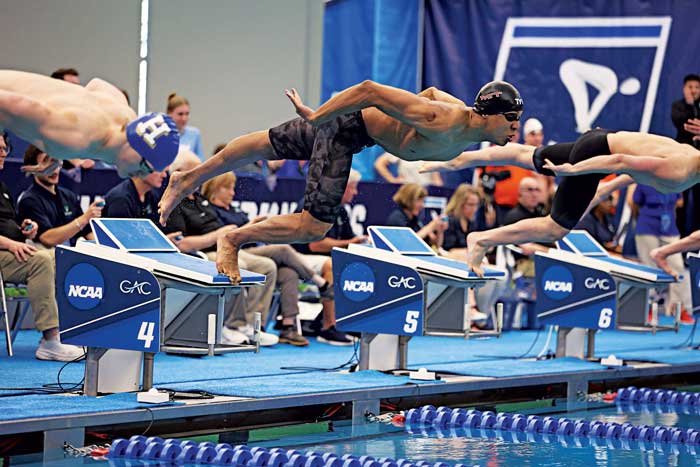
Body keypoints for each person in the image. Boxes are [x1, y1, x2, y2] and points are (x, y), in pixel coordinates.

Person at [158, 80, 523, 282]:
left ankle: (187, 178)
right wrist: (318, 116)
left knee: (259, 145)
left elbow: (429, 91)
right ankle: (233, 238)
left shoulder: (458, 120)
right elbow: (368, 90)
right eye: (511, 118)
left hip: (352, 130)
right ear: (489, 114)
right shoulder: (440, 119)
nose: (514, 127)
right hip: (344, 129)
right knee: (313, 226)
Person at [422, 129, 700, 274]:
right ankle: (481, 239)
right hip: (597, 155)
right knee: (554, 229)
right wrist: (577, 170)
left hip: (599, 139)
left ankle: (457, 160)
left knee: (525, 156)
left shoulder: (688, 155)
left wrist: (603, 191)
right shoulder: (679, 172)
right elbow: (621, 162)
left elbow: (634, 171)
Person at [203, 171, 340, 346]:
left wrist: (254, 227)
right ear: (215, 189)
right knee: (282, 249)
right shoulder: (212, 212)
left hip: (252, 250)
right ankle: (319, 282)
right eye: (227, 188)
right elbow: (228, 238)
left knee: (288, 273)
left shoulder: (236, 210)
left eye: (232, 188)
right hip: (236, 252)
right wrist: (249, 228)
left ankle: (284, 326)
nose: (232, 192)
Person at [163, 151, 279, 346]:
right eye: (194, 170)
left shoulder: (200, 200)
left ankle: (249, 327)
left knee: (266, 266)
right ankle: (229, 326)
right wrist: (217, 236)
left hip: (222, 248)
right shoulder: (174, 202)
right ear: (179, 173)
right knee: (237, 264)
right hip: (200, 255)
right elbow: (180, 244)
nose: (200, 173)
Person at [0, 70, 179, 178]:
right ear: (134, 145)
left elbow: (98, 84)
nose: (144, 175)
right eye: (145, 167)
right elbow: (18, 105)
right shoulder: (76, 138)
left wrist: (55, 151)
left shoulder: (123, 111)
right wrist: (57, 147)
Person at [0, 133, 83, 361]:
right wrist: (10, 242)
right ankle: (50, 339)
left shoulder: (2, 187)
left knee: (63, 258)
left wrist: (25, 228)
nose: (3, 153)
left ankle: (76, 332)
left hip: (12, 249)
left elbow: (7, 224)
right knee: (42, 261)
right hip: (5, 252)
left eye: (5, 148)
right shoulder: (30, 198)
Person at [293, 169, 366, 345]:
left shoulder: (341, 211)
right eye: (353, 188)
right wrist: (351, 242)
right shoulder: (314, 205)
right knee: (331, 265)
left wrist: (359, 243)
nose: (355, 192)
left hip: (322, 259)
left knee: (360, 266)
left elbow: (349, 242)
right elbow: (314, 245)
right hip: (299, 258)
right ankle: (328, 327)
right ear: (341, 187)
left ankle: (347, 321)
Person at [17, 145, 102, 247]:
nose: (54, 169)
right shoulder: (30, 200)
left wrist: (103, 249)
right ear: (33, 168)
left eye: (55, 162)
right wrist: (84, 219)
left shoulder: (68, 196)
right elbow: (47, 239)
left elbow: (87, 231)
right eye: (46, 162)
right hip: (48, 255)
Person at [631, 184, 693, 323]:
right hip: (647, 227)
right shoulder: (644, 180)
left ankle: (676, 309)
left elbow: (680, 201)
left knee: (677, 267)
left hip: (669, 228)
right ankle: (648, 310)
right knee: (649, 269)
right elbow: (634, 203)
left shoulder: (675, 179)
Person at [386, 183, 447, 247]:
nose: (422, 205)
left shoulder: (415, 220)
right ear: (408, 200)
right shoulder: (397, 218)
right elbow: (407, 244)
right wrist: (430, 226)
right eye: (419, 201)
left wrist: (440, 231)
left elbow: (436, 245)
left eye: (423, 201)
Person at [102, 166, 168, 226]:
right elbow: (122, 235)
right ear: (141, 169)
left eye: (165, 171)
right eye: (160, 170)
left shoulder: (152, 195)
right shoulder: (121, 199)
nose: (164, 175)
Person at [167, 93, 203, 160]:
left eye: (187, 114)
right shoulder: (162, 135)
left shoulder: (194, 133)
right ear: (169, 114)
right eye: (180, 114)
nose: (184, 118)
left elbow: (200, 161)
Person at [374, 151, 442, 186]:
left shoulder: (430, 152)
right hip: (406, 192)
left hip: (424, 195)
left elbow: (437, 180)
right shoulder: (402, 148)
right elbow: (379, 164)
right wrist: (392, 180)